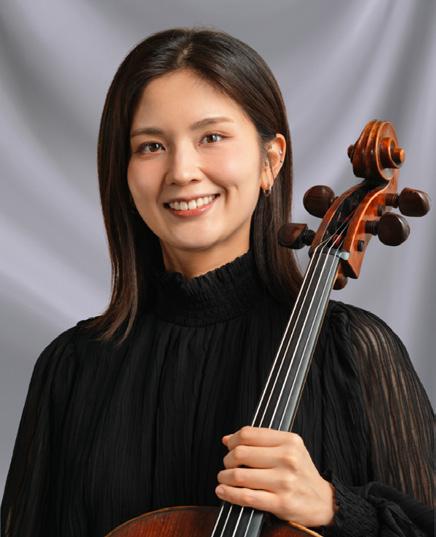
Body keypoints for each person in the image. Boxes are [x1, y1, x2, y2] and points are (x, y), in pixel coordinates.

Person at [1, 26, 434, 537]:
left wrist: (333, 506)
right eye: (151, 146)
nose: (182, 171)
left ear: (270, 161)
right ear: (124, 171)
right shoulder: (71, 367)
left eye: (211, 137)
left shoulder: (352, 351)